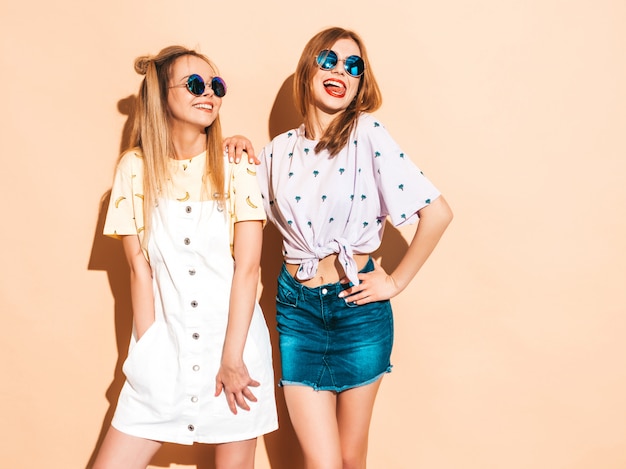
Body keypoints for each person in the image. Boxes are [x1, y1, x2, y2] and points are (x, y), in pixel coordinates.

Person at [256, 27, 453, 468]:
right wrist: (233, 148)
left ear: (361, 84)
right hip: (298, 311)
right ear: (308, 68)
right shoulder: (275, 153)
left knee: (349, 457)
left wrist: (396, 282)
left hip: (358, 310)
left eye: (353, 66)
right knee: (322, 462)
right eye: (328, 60)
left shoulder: (367, 133)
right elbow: (241, 215)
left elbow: (438, 212)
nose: (340, 71)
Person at [93, 45, 277, 469]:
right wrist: (150, 349)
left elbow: (248, 269)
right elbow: (140, 270)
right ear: (161, 96)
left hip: (233, 346)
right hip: (166, 346)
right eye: (195, 84)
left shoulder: (239, 167)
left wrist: (232, 358)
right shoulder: (133, 170)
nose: (208, 93)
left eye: (216, 85)